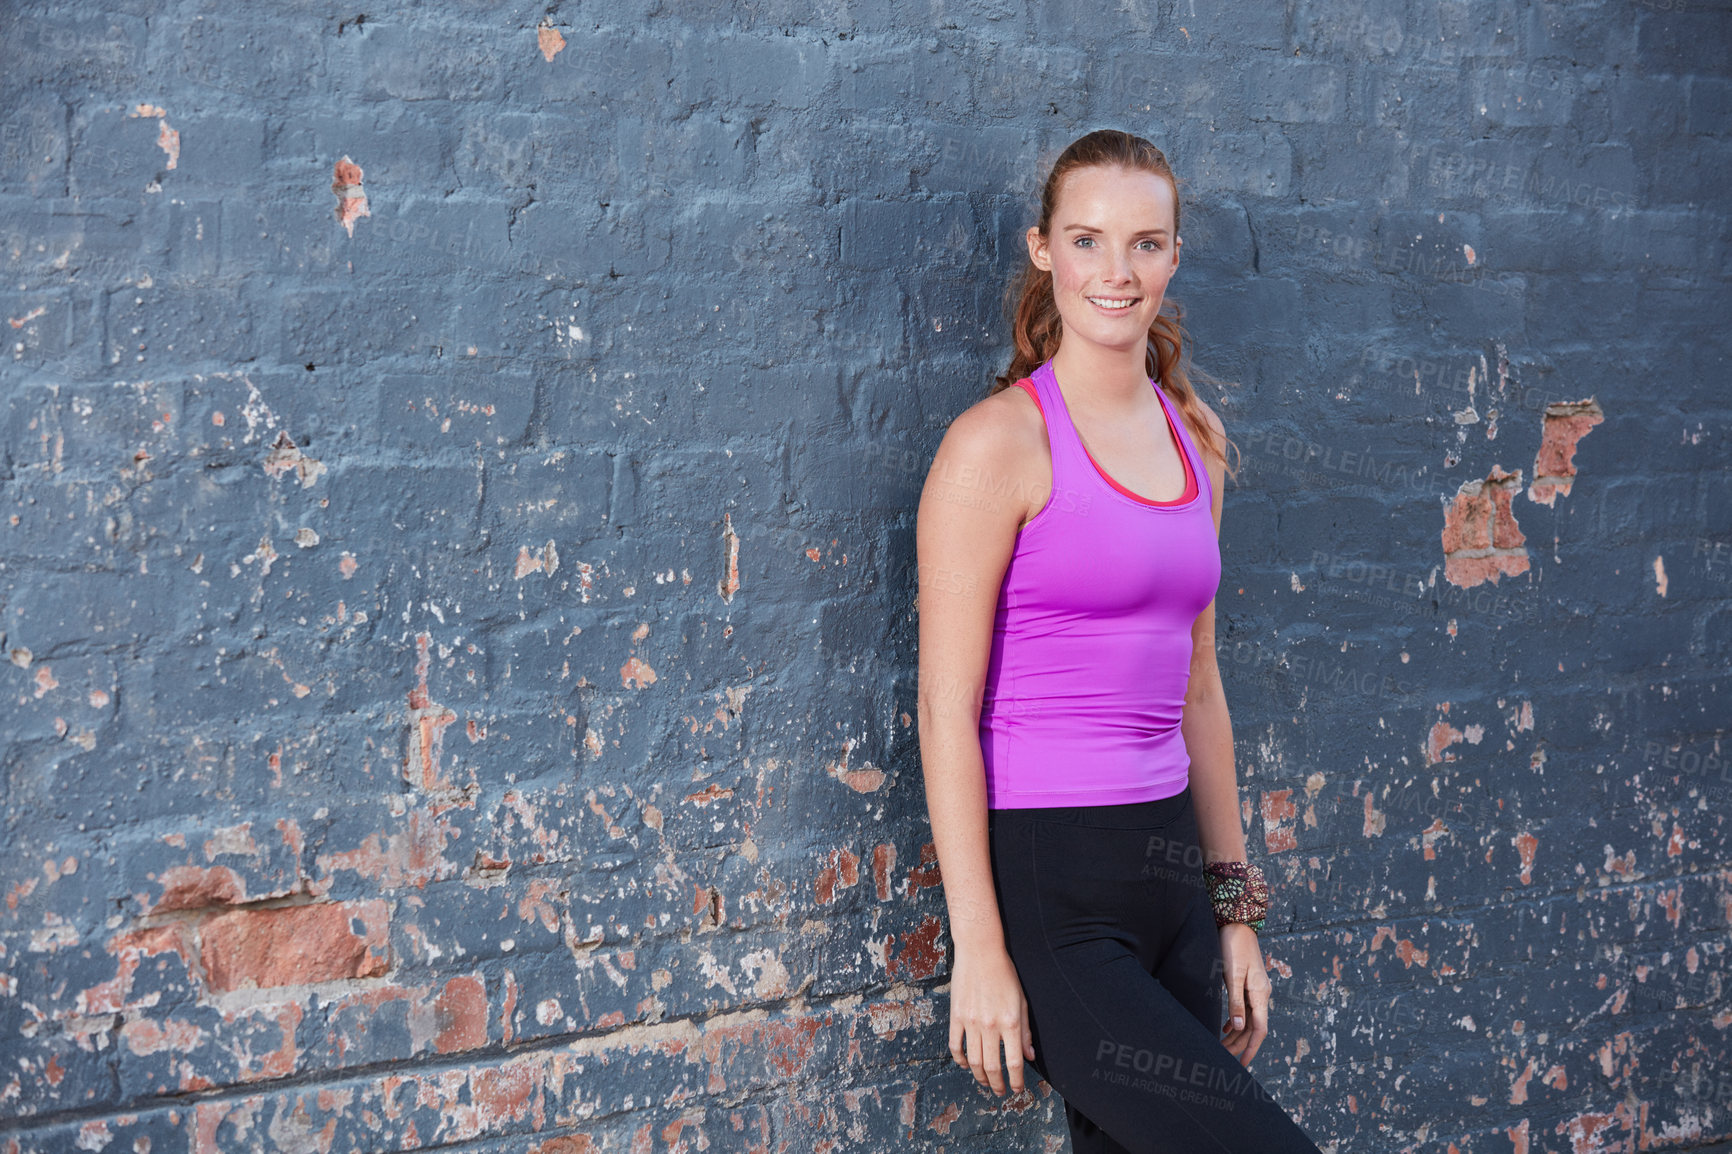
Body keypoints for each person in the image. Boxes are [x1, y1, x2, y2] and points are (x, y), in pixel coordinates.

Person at [915, 129, 1324, 1153]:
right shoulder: (994, 445)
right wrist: (978, 948)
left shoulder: (1199, 443)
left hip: (1173, 870)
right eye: (1088, 240)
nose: (1117, 270)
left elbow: (1202, 691)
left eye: (1145, 244)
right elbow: (942, 710)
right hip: (1057, 887)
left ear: (1174, 256)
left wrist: (1236, 908)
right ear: (1044, 250)